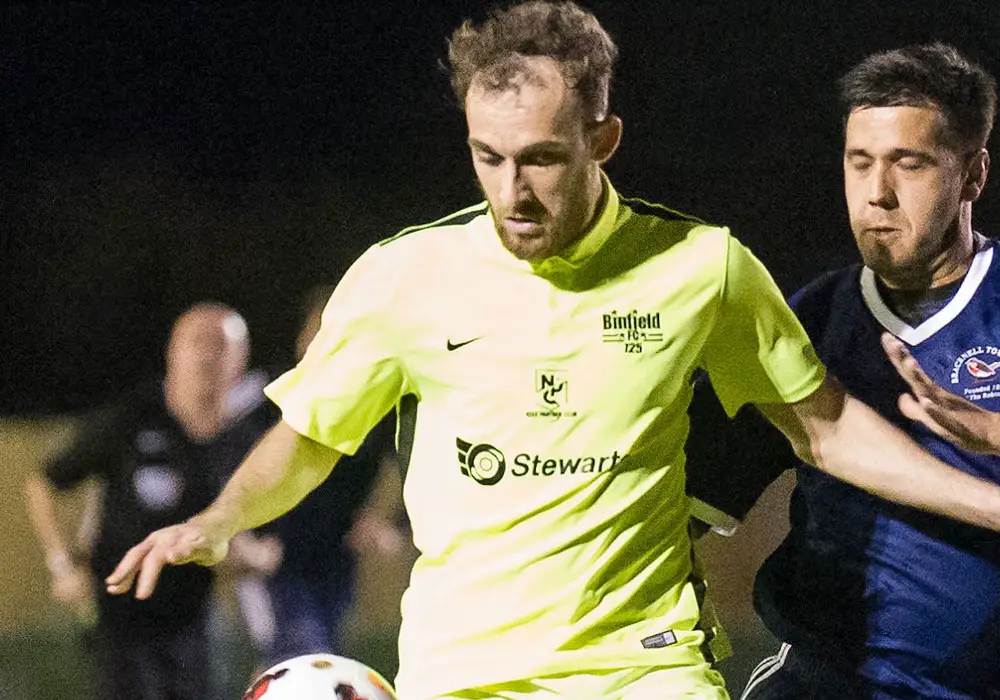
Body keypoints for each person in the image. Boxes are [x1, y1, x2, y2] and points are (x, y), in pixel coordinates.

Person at [105, 5, 1000, 699]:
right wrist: (216, 521)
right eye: (486, 156)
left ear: (602, 141)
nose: (510, 191)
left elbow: (826, 428)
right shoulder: (402, 276)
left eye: (538, 158)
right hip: (464, 669)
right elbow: (311, 436)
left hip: (643, 668)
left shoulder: (704, 269)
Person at [685, 43, 999, 698]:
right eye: (860, 164)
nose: (877, 194)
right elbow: (666, 499)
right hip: (829, 682)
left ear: (973, 175)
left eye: (907, 165)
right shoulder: (806, 325)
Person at [25, 302, 266, 700]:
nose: (207, 355)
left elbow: (267, 548)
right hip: (120, 614)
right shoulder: (133, 416)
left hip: (194, 617)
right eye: (196, 342)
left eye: (221, 345)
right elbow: (44, 484)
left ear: (240, 360)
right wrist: (61, 564)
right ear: (173, 351)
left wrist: (246, 554)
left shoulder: (247, 439)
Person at [223, 285, 404, 672]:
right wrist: (240, 538)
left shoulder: (375, 400)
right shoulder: (270, 397)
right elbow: (218, 462)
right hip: (276, 563)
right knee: (301, 655)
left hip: (335, 558)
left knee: (314, 661)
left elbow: (421, 458)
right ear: (303, 336)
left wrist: (391, 523)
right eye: (319, 332)